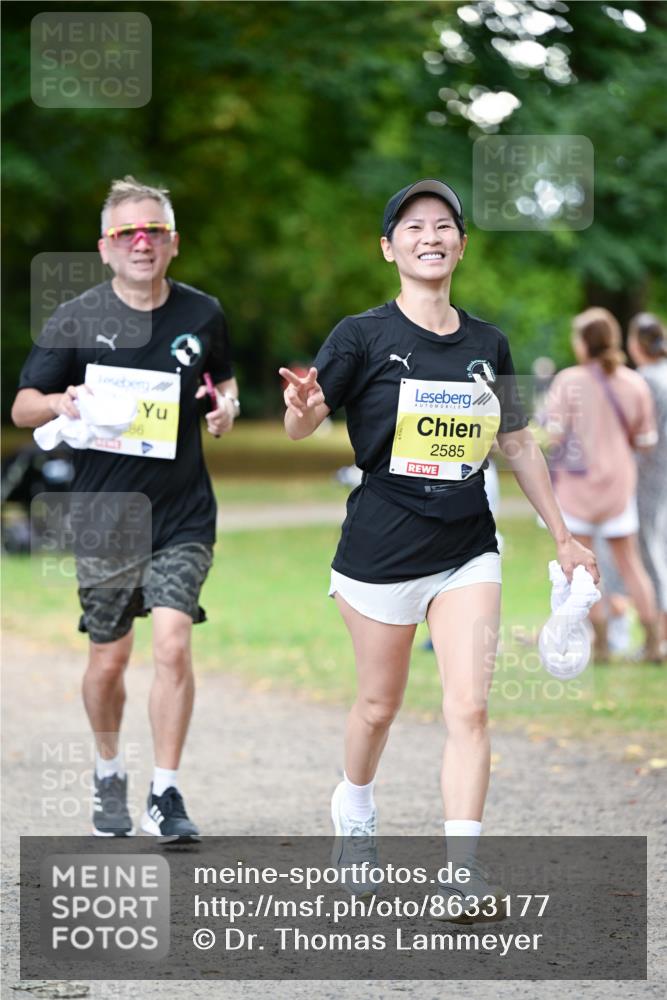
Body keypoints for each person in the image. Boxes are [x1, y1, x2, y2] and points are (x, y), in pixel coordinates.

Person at [279, 179, 598, 914]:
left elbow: (515, 441)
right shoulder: (360, 336)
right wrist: (300, 409)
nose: (431, 236)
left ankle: (461, 870)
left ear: (459, 243)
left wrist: (562, 535)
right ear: (388, 247)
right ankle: (354, 813)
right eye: (414, 226)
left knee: (470, 708)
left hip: (465, 549)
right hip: (379, 552)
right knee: (377, 706)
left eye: (445, 225)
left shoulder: (487, 344)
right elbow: (306, 420)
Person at [11, 176, 240, 840]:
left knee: (172, 643)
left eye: (154, 231)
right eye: (127, 233)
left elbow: (218, 385)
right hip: (107, 517)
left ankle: (165, 792)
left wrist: (224, 409)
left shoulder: (202, 314)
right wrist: (61, 403)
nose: (142, 242)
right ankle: (109, 767)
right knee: (109, 661)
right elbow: (24, 406)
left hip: (182, 513)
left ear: (173, 243)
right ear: (106, 249)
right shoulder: (77, 317)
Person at [544, 307, 661, 662]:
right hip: (618, 488)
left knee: (581, 569)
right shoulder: (634, 382)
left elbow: (553, 435)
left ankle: (601, 642)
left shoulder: (568, 381)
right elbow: (647, 440)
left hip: (577, 490)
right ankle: (655, 641)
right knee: (631, 564)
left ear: (584, 343)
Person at [627, 312, 667, 656]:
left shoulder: (646, 381)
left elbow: (642, 436)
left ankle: (658, 634)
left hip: (650, 476)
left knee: (650, 552)